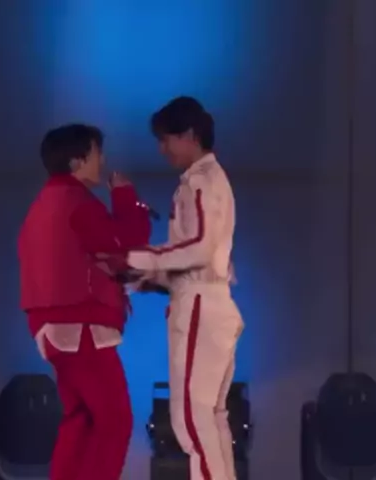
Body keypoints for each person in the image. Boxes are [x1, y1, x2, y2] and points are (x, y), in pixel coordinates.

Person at [17, 124, 151, 480]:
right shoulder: (77, 203)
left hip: (52, 327)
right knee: (114, 421)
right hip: (81, 325)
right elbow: (127, 240)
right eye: (96, 153)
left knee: (80, 419)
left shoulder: (43, 203)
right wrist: (126, 197)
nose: (101, 161)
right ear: (77, 160)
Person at [127, 97, 244, 480]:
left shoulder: (201, 180)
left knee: (191, 419)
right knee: (211, 417)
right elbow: (207, 256)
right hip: (211, 301)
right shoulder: (211, 180)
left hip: (200, 307)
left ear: (190, 135)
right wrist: (154, 278)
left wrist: (140, 258)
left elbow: (200, 247)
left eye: (166, 139)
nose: (163, 149)